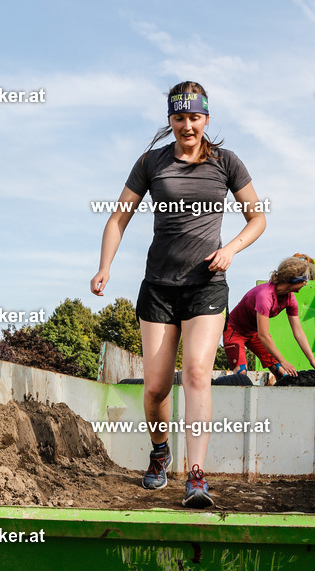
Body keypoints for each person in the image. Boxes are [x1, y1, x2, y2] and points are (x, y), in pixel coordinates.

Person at [90, 81, 266, 508]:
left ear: (207, 118)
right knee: (154, 387)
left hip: (206, 286)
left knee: (196, 374)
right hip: (159, 288)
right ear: (170, 119)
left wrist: (230, 250)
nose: (187, 125)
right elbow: (118, 218)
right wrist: (105, 267)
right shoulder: (152, 163)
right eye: (179, 117)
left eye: (195, 117)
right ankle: (159, 453)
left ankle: (197, 474)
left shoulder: (227, 163)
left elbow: (257, 218)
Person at [223, 257, 315, 379]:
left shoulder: (290, 299)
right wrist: (283, 360)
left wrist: (312, 360)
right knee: (241, 374)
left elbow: (298, 332)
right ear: (293, 280)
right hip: (235, 331)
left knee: (280, 372)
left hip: (253, 332)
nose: (305, 283)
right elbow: (264, 335)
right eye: (304, 280)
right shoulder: (265, 296)